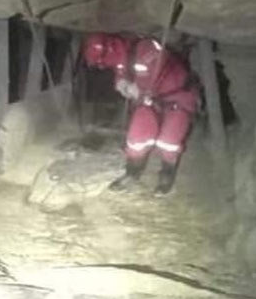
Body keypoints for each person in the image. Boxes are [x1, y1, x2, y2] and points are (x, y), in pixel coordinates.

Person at [82, 32, 199, 195]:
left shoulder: (147, 48)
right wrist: (121, 83)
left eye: (101, 62)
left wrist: (140, 89)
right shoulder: (121, 58)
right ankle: (132, 173)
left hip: (177, 97)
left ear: (109, 50)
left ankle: (166, 176)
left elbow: (154, 72)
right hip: (149, 100)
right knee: (137, 138)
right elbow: (122, 72)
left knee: (169, 141)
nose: (102, 66)